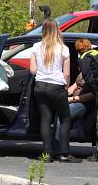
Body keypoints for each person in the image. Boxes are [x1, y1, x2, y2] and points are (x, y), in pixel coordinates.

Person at [30, 19, 79, 163]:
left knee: (45, 118)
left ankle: (47, 154)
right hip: (56, 86)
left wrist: (42, 72)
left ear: (43, 30)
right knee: (65, 118)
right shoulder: (63, 48)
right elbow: (67, 73)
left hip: (40, 86)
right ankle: (64, 153)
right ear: (57, 30)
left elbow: (32, 70)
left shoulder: (36, 46)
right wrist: (66, 87)